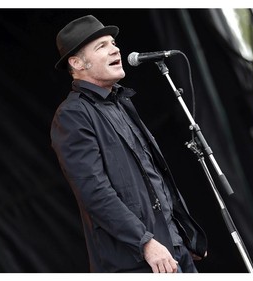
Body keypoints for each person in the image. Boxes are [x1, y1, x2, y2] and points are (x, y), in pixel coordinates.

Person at [50, 15, 207, 273]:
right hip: (135, 260)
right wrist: (145, 243)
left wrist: (181, 231)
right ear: (77, 62)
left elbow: (155, 176)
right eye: (102, 46)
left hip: (172, 248)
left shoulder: (122, 102)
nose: (115, 49)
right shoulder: (73, 115)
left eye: (113, 43)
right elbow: (94, 192)